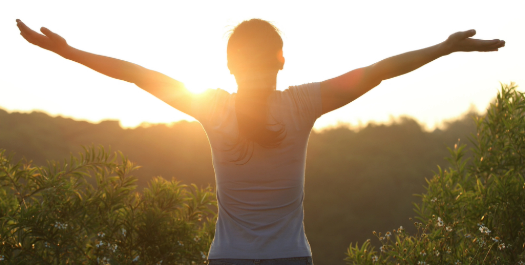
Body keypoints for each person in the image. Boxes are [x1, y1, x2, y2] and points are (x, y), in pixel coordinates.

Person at [16, 18, 505, 265]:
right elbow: (378, 72)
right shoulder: (302, 104)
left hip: (227, 259)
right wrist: (445, 47)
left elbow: (138, 76)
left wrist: (68, 51)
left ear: (230, 65)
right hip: (291, 258)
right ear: (281, 61)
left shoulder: (214, 107)